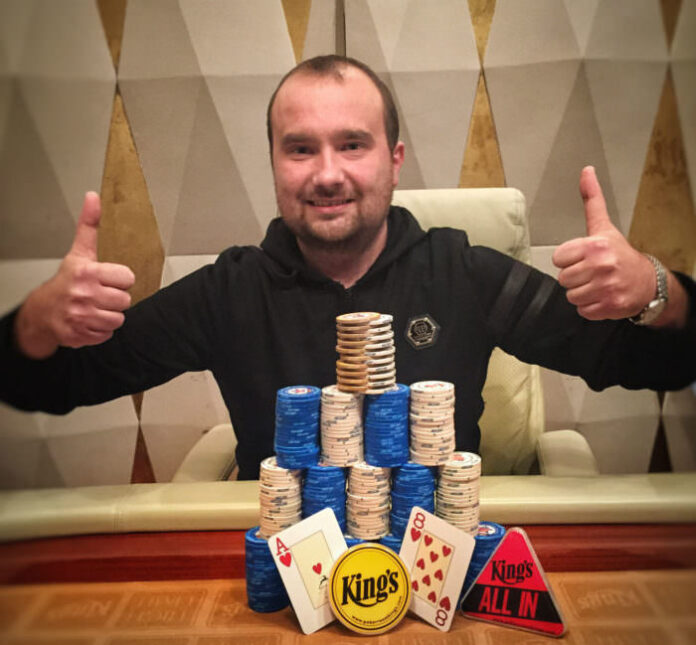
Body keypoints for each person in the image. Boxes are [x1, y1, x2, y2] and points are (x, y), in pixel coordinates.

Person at [2, 55, 695, 480]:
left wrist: (658, 292)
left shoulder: (467, 273)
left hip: (438, 567)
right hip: (284, 581)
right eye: (300, 148)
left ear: (394, 160)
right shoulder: (228, 291)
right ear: (274, 163)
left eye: (353, 144)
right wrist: (35, 322)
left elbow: (658, 362)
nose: (327, 173)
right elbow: (50, 383)